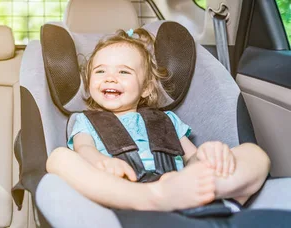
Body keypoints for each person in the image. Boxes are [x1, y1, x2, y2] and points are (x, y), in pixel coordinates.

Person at [46, 28, 271, 211]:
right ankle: (149, 197)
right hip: (122, 193)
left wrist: (206, 155)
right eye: (100, 72)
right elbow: (84, 149)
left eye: (124, 72)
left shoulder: (166, 120)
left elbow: (190, 158)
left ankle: (213, 190)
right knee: (58, 158)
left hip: (179, 187)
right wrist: (101, 163)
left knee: (255, 154)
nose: (111, 78)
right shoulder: (85, 121)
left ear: (145, 88)